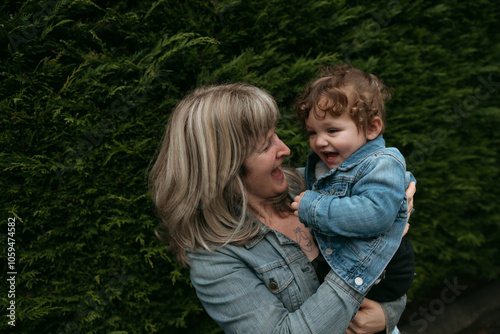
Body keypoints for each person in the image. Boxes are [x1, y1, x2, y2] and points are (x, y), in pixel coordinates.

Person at [149, 82, 416, 333]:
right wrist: (379, 241)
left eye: (275, 134)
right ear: (224, 169)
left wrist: (388, 313)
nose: (285, 149)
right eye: (266, 144)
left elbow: (389, 274)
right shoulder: (214, 258)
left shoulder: (313, 184)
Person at [291, 64, 415, 309]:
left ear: (371, 128)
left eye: (332, 130)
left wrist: (314, 208)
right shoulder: (331, 162)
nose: (319, 141)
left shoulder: (382, 162)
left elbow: (375, 214)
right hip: (351, 264)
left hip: (384, 269)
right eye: (312, 132)